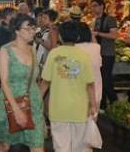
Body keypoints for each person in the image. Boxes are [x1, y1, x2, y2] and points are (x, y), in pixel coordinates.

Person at [40, 21, 98, 152]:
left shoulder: (54, 54)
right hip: (79, 109)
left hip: (58, 109)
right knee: (79, 147)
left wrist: (36, 101)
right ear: (77, 37)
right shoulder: (84, 56)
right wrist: (93, 105)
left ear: (59, 36)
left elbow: (45, 83)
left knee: (61, 146)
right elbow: (90, 84)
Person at [0, 14, 45, 152]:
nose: (33, 32)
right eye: (28, 29)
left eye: (34, 28)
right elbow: (4, 83)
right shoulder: (6, 50)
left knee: (37, 144)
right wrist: (16, 110)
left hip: (33, 101)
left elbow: (35, 79)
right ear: (16, 30)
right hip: (10, 101)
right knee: (5, 145)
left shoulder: (32, 49)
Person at [89, 0, 119, 109]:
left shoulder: (110, 19)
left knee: (106, 81)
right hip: (99, 55)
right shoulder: (95, 20)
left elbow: (114, 35)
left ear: (102, 6)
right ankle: (103, 106)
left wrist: (98, 33)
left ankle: (115, 103)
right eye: (92, 6)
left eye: (95, 5)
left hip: (108, 54)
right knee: (100, 80)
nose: (93, 8)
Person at [76, 22, 103, 109]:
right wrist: (90, 32)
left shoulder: (74, 48)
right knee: (93, 120)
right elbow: (94, 42)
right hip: (96, 90)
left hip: (78, 91)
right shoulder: (96, 47)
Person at [35, 9, 58, 73]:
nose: (42, 19)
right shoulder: (52, 29)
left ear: (51, 19)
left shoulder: (53, 30)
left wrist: (40, 41)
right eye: (42, 17)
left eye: (45, 18)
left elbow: (53, 48)